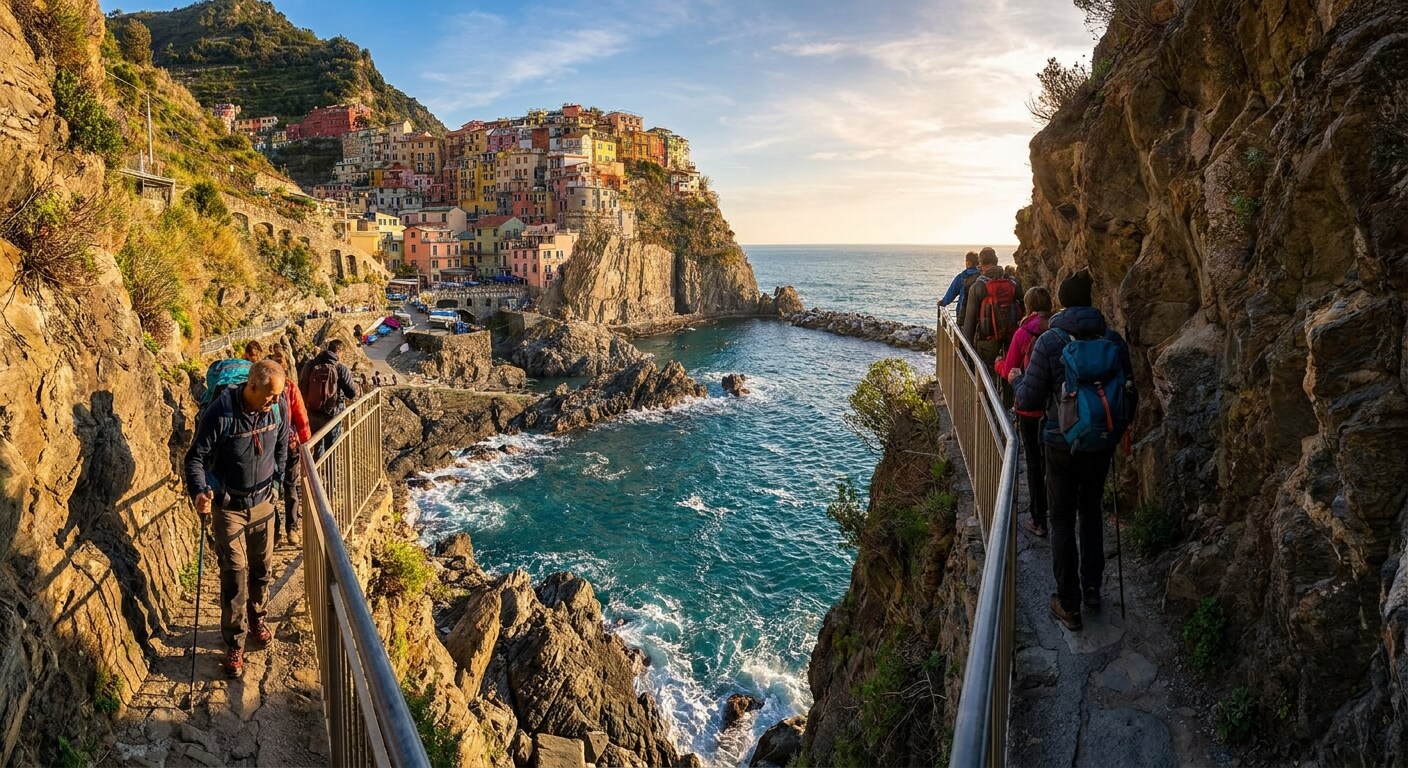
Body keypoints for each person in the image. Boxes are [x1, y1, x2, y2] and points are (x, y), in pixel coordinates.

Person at [1011, 271, 1134, 632]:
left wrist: (1016, 377)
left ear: (1062, 303)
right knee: (1091, 510)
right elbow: (1130, 391)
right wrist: (1118, 430)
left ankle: (1068, 603)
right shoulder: (1112, 339)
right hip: (1101, 441)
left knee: (1062, 518)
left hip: (1060, 441)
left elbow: (1027, 399)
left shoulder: (1050, 341)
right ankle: (1092, 588)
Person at [183, 360, 289, 678]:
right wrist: (200, 491)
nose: (274, 402)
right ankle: (235, 643)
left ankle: (257, 618)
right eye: (270, 396)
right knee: (235, 573)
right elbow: (195, 457)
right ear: (252, 387)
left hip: (263, 504)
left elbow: (283, 445)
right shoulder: (222, 412)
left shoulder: (277, 407)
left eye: (278, 396)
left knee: (261, 570)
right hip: (228, 507)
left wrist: (277, 483)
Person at [996, 286, 1053, 538]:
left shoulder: (1023, 333)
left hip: (1030, 409)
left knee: (1033, 463)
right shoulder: (1058, 330)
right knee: (1052, 461)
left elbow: (1010, 371)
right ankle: (1057, 510)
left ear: (1028, 306)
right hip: (1057, 408)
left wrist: (997, 364)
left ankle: (1038, 519)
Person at [265, 350, 311, 546]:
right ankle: (292, 529)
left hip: (269, 445)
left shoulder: (265, 386)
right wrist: (307, 445)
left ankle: (274, 533)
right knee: (290, 487)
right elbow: (301, 417)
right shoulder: (290, 387)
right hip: (290, 443)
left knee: (270, 487)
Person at [300, 339, 360, 458]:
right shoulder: (340, 368)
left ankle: (316, 473)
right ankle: (329, 474)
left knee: (317, 445)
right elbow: (351, 393)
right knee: (332, 450)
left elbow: (302, 387)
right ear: (339, 351)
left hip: (312, 413)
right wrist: (357, 388)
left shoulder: (310, 365)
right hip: (332, 415)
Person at [962, 247, 1020, 365]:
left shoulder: (977, 287)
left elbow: (970, 321)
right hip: (1011, 339)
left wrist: (966, 351)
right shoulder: (1012, 282)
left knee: (985, 375)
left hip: (987, 340)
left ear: (980, 263)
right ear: (996, 261)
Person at [939, 251, 981, 322]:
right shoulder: (982, 276)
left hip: (963, 314)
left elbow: (951, 292)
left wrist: (943, 302)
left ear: (969, 263)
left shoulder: (962, 277)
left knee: (961, 332)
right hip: (978, 315)